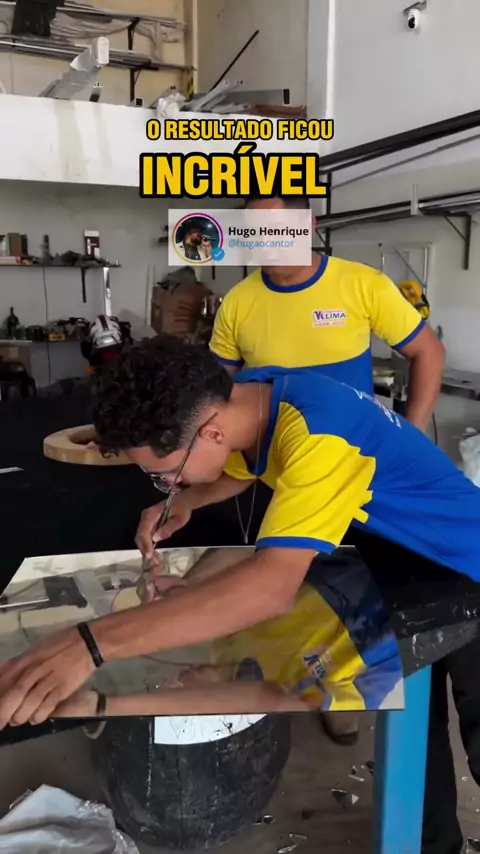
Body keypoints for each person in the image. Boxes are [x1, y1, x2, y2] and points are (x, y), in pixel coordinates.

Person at [1, 338, 479, 742]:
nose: (167, 485)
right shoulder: (256, 394)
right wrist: (190, 500)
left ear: (210, 431)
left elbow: (270, 589)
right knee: (422, 729)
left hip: (461, 565)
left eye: (165, 474)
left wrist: (89, 644)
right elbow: (252, 458)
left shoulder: (322, 439)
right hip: (394, 554)